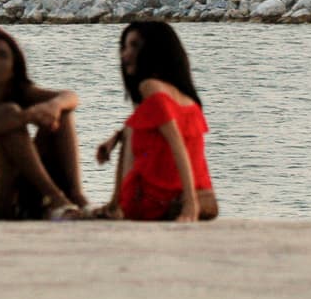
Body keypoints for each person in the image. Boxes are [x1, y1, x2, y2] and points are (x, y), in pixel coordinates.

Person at [0, 28, 87, 220]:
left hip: (18, 188)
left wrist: (53, 107)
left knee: (61, 113)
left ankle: (77, 196)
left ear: (13, 68)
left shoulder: (22, 92)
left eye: (2, 55)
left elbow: (70, 97)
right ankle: (56, 198)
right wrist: (27, 116)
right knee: (8, 116)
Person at [92, 21, 218, 222]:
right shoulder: (185, 97)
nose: (125, 55)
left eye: (134, 46)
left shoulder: (149, 87)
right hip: (202, 194)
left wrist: (190, 205)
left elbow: (176, 143)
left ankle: (116, 206)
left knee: (131, 130)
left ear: (154, 50)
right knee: (131, 127)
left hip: (154, 201)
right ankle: (114, 205)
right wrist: (115, 138)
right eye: (124, 47)